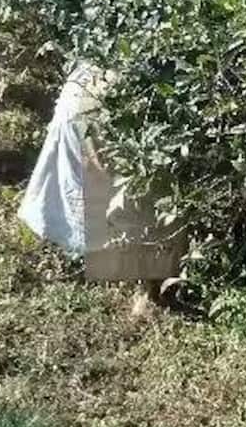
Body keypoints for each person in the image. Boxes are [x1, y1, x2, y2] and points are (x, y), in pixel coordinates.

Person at [20, 62, 189, 308]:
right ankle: (147, 284)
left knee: (117, 181)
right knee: (139, 182)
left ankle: (104, 258)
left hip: (91, 86)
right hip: (116, 92)